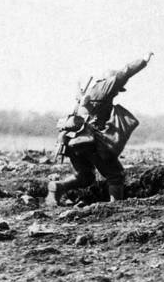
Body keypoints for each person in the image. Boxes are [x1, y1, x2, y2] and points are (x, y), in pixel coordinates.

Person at [47, 53, 152, 205]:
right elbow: (125, 72)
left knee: (85, 176)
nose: (118, 91)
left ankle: (57, 187)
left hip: (73, 141)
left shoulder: (88, 94)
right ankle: (115, 207)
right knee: (115, 175)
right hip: (90, 140)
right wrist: (143, 61)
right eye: (118, 88)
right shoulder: (104, 87)